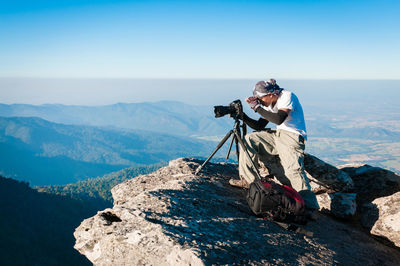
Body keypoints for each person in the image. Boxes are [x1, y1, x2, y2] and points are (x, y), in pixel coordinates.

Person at [229, 79, 320, 212]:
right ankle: (249, 181)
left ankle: (310, 206)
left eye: (261, 98)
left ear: (271, 94)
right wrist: (242, 116)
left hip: (292, 137)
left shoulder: (287, 96)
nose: (260, 101)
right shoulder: (270, 102)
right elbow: (259, 125)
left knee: (293, 170)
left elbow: (278, 119)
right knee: (249, 139)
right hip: (278, 135)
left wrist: (256, 107)